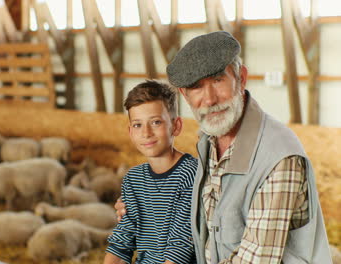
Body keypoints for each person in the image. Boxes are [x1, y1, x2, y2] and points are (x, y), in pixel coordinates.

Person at [115, 31, 332, 264]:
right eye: (196, 87)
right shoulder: (208, 140)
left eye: (218, 80)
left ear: (241, 78)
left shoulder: (278, 157)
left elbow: (255, 260)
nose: (209, 99)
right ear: (185, 95)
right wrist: (139, 209)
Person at [104, 80, 197, 264]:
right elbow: (121, 242)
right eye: (138, 125)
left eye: (155, 122)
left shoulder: (190, 174)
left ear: (176, 126)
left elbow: (179, 249)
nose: (146, 133)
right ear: (130, 132)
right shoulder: (133, 179)